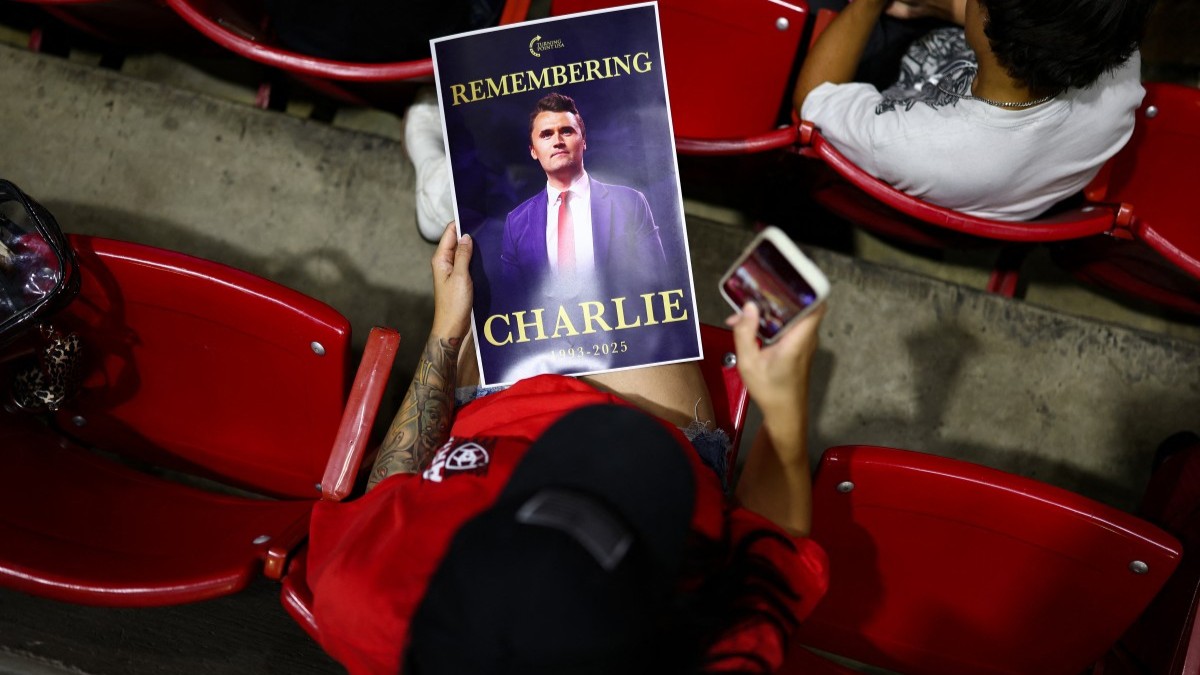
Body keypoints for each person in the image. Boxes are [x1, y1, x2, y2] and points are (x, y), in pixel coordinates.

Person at [304, 222, 830, 673]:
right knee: (618, 254)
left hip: (489, 409)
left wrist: (445, 330)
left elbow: (390, 492)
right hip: (658, 425)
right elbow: (774, 549)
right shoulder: (714, 653)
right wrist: (785, 408)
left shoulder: (359, 600)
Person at [793, 0, 1155, 221]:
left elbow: (813, 97)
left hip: (893, 199)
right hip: (988, 201)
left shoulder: (910, 142)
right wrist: (948, 7)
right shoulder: (1121, 76)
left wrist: (870, 3)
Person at [500, 92, 668, 302]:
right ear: (533, 151)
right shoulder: (516, 223)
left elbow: (660, 285)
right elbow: (512, 303)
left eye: (567, 131)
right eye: (546, 134)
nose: (558, 141)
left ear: (584, 141)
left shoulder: (631, 203)